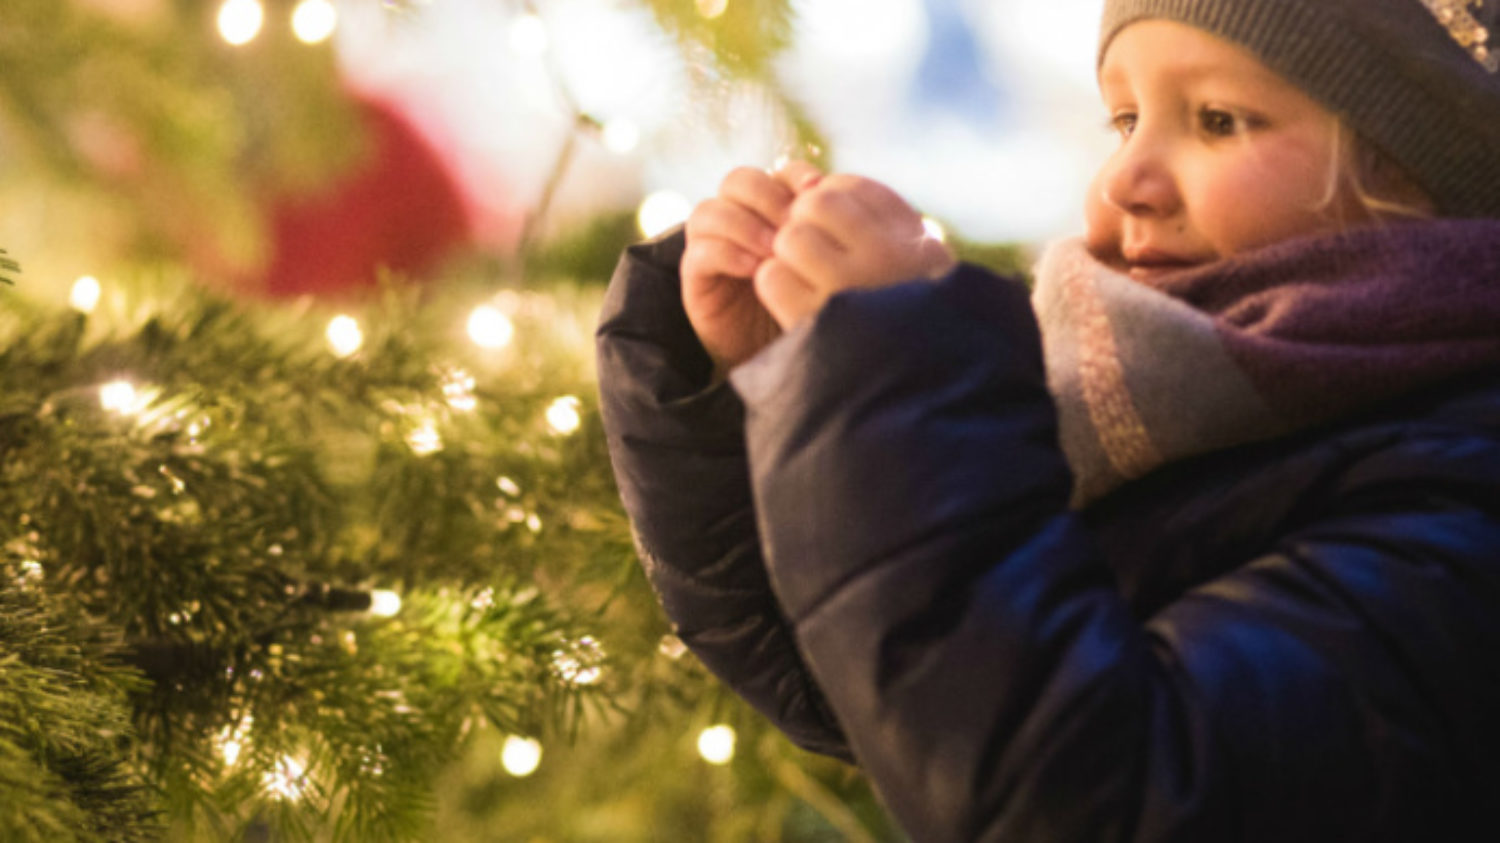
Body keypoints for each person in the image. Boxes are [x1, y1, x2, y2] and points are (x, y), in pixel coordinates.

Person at [596, 0, 1500, 840]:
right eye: (1125, 120)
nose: (1126, 179)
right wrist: (779, 388)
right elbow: (895, 699)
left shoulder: (1455, 488)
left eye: (1219, 120)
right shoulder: (1158, 407)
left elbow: (1084, 792)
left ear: (1419, 177)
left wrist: (901, 379)